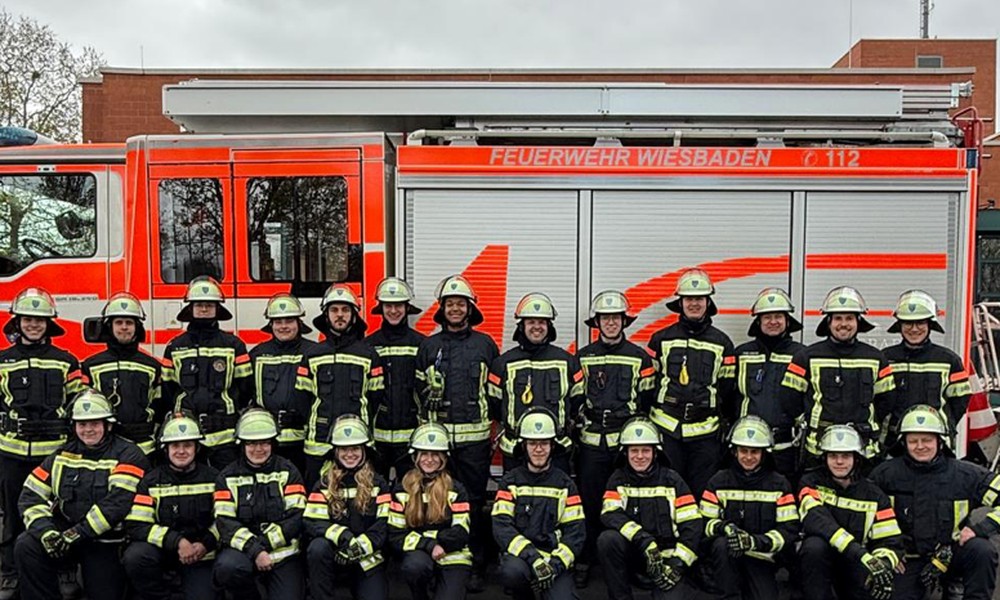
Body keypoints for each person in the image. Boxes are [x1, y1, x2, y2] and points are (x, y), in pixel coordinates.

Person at [15, 389, 149, 600]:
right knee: (26, 545)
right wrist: (46, 532)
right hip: (65, 536)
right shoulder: (61, 454)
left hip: (105, 542)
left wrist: (75, 534)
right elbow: (30, 495)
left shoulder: (129, 454)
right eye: (82, 424)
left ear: (109, 424)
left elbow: (116, 506)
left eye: (95, 423)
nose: (88, 430)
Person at [0, 288, 87, 600]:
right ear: (18, 322)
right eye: (28, 319)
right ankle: (9, 572)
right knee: (12, 515)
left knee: (61, 513)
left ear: (49, 324)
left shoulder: (67, 361)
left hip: (54, 455)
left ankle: (64, 569)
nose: (34, 325)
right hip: (11, 452)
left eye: (40, 320)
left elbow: (80, 405)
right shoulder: (2, 360)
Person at [414, 274, 498, 592]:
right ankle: (439, 558)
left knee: (474, 503)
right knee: (436, 501)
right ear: (442, 309)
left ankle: (475, 563)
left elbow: (495, 392)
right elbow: (417, 394)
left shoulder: (485, 345)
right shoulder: (429, 346)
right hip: (438, 443)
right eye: (450, 304)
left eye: (460, 304)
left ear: (469, 309)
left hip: (474, 441)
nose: (455, 309)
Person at [870, 405, 1000, 600]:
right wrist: (885, 553)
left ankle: (961, 588)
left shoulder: (966, 475)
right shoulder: (885, 474)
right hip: (906, 559)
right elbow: (866, 516)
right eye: (913, 440)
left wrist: (980, 529)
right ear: (903, 443)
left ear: (940, 442)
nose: (920, 446)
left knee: (982, 550)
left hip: (952, 554)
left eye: (927, 440)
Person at [574, 289, 656, 587]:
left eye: (616, 318)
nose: (611, 323)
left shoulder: (640, 358)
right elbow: (575, 400)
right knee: (589, 501)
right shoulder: (583, 358)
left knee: (630, 504)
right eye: (605, 318)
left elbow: (646, 401)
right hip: (592, 443)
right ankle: (586, 559)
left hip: (627, 445)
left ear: (624, 321)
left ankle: (633, 561)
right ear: (597, 322)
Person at [647, 268, 735, 496]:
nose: (694, 304)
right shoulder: (660, 339)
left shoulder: (723, 343)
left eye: (699, 299)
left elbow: (727, 388)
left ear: (708, 302)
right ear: (680, 302)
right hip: (667, 429)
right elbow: (648, 384)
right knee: (667, 491)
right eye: (689, 299)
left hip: (705, 433)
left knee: (702, 491)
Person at [781, 286, 895, 462]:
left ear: (858, 321)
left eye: (849, 318)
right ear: (828, 322)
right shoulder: (806, 357)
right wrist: (808, 422)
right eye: (838, 318)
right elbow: (789, 398)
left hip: (864, 449)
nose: (843, 324)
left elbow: (886, 401)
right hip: (818, 449)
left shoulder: (876, 358)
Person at [599, 417, 702, 600]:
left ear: (655, 453)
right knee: (608, 540)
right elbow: (610, 513)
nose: (640, 456)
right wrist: (643, 539)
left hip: (666, 560)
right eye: (634, 451)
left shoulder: (673, 481)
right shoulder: (617, 480)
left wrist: (678, 565)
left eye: (646, 450)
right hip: (634, 556)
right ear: (625, 453)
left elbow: (692, 526)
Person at [798, 424, 902, 600]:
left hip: (855, 565)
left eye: (846, 456)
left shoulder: (874, 495)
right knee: (814, 546)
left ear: (857, 458)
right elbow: (818, 521)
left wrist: (882, 564)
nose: (839, 462)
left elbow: (890, 540)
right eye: (833, 456)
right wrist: (861, 554)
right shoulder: (810, 483)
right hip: (821, 564)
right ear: (825, 458)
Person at [700, 415, 799, 600]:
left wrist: (754, 542)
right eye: (743, 451)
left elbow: (789, 530)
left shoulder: (779, 484)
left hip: (762, 557)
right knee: (721, 544)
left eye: (754, 452)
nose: (748, 457)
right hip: (727, 557)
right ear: (734, 452)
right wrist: (725, 528)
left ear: (764, 453)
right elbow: (704, 523)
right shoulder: (718, 481)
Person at [123, 413, 219, 600]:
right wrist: (176, 542)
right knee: (135, 556)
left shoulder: (214, 478)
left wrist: (205, 544)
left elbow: (225, 520)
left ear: (197, 448)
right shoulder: (151, 481)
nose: (181, 451)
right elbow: (137, 525)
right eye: (175, 445)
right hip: (163, 553)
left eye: (187, 445)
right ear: (165, 449)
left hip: (200, 555)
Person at [212, 409, 306, 600]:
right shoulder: (227, 477)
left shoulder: (289, 471)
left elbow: (296, 518)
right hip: (243, 553)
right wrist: (255, 550)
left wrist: (263, 546)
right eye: (252, 443)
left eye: (264, 442)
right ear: (242, 444)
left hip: (283, 554)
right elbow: (225, 523)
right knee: (227, 568)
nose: (258, 449)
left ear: (273, 443)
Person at [492, 409, 585, 599]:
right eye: (533, 443)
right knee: (512, 572)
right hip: (523, 559)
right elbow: (502, 527)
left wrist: (555, 565)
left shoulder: (565, 484)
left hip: (554, 559)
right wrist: (533, 558)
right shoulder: (510, 482)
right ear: (524, 447)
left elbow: (575, 533)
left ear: (552, 447)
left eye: (544, 443)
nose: (538, 449)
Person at [296, 284, 383, 486]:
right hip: (318, 443)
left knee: (360, 493)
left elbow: (376, 397)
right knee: (317, 494)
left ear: (354, 315)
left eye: (345, 310)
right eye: (334, 310)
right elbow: (302, 398)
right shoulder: (312, 354)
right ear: (326, 316)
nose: (340, 315)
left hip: (358, 441)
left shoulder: (368, 354)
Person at [161, 276, 253, 469]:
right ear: (190, 309)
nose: (204, 309)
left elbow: (245, 387)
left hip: (225, 435)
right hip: (187, 435)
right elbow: (167, 389)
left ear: (217, 310)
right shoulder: (175, 347)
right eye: (199, 305)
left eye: (210, 305)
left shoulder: (234, 345)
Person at [489, 292, 584, 476]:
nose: (537, 327)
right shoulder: (503, 364)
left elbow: (578, 399)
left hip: (556, 450)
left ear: (549, 326)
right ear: (521, 325)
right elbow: (494, 404)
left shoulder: (567, 362)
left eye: (542, 322)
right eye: (531, 322)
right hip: (515, 450)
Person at [305, 415, 390, 600]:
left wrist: (358, 548)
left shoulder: (379, 483)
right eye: (344, 449)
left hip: (367, 557)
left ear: (364, 450)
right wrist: (344, 536)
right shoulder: (323, 483)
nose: (349, 454)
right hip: (334, 556)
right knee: (317, 548)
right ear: (335, 452)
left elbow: (384, 525)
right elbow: (312, 522)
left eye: (355, 448)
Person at [723, 288, 805, 480]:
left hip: (785, 445)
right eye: (767, 317)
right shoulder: (741, 354)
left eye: (778, 316)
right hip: (747, 446)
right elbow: (725, 395)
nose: (773, 322)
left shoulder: (801, 356)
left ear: (788, 321)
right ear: (758, 321)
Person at [388, 422, 472, 600]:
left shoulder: (457, 489)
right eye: (424, 454)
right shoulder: (402, 489)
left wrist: (442, 544)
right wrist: (429, 545)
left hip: (452, 554)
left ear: (444, 458)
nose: (429, 459)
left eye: (435, 454)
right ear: (415, 457)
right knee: (414, 567)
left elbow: (462, 531)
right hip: (421, 553)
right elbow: (395, 535)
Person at [883, 290, 970, 446]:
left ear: (930, 325)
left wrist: (943, 427)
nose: (914, 329)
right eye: (908, 323)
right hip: (894, 442)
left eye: (920, 323)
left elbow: (960, 402)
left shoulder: (949, 360)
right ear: (900, 325)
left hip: (935, 441)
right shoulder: (886, 359)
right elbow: (878, 401)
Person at [82, 292, 163, 455]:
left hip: (145, 447)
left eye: (129, 323)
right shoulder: (90, 366)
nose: (124, 327)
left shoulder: (152, 366)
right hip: (105, 447)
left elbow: (160, 406)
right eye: (118, 322)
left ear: (137, 328)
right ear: (109, 327)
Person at [365, 277, 425, 484]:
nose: (393, 311)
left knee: (411, 493)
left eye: (398, 305)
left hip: (410, 436)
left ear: (407, 308)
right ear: (380, 308)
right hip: (377, 438)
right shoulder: (368, 345)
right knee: (375, 492)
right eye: (388, 306)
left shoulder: (421, 344)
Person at [249, 293, 317, 475]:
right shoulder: (257, 354)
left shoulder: (314, 352)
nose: (284, 326)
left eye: (289, 320)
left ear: (299, 323)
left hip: (304, 442)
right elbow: (246, 395)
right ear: (270, 325)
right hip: (268, 441)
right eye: (278, 322)